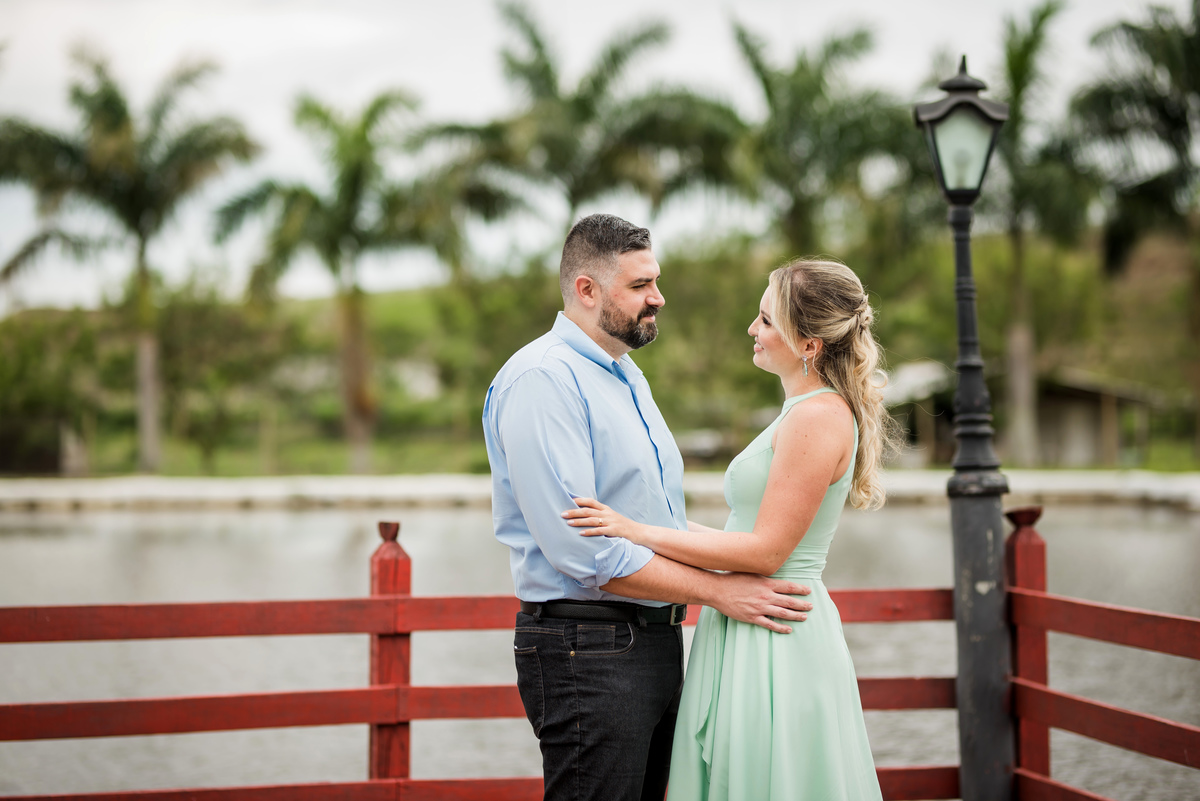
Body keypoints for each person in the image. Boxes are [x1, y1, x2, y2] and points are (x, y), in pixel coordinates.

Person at [482, 214, 815, 801]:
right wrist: (718, 590)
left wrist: (742, 562)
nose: (658, 298)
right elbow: (584, 550)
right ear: (587, 290)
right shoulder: (542, 380)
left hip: (654, 640)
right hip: (589, 648)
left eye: (655, 281)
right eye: (640, 286)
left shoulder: (626, 377)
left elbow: (655, 528)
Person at [562, 258, 898, 800]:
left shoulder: (817, 417)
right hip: (751, 615)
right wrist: (641, 521)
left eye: (766, 320)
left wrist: (636, 532)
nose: (752, 329)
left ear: (809, 343)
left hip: (776, 629)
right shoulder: (802, 411)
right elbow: (743, 532)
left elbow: (764, 551)